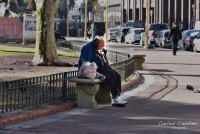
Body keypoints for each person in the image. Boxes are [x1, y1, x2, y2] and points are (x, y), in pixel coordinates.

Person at [78, 36, 127, 106]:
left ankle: (118, 96)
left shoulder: (98, 48)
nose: (102, 47)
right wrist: (97, 73)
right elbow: (86, 64)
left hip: (101, 67)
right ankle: (115, 98)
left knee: (117, 76)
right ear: (96, 43)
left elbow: (103, 60)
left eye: (103, 45)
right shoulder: (87, 48)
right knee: (111, 76)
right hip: (91, 69)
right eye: (101, 45)